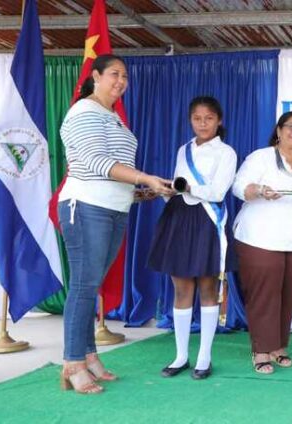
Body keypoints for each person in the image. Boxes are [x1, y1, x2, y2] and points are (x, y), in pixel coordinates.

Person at [57, 54, 174, 394]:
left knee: (91, 284)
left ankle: (89, 356)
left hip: (114, 207)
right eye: (114, 74)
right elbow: (95, 161)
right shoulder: (84, 111)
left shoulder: (113, 117)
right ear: (95, 76)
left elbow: (113, 171)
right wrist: (145, 177)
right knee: (83, 285)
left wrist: (140, 192)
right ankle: (72, 363)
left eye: (124, 76)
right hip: (85, 206)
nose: (121, 81)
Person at [147, 96, 237, 380]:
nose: (203, 123)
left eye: (209, 118)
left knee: (208, 288)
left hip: (207, 221)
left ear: (219, 120)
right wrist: (164, 191)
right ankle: (181, 356)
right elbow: (178, 187)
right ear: (190, 120)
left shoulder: (226, 152)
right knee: (182, 288)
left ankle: (204, 357)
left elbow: (218, 192)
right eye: (197, 118)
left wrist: (188, 187)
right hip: (179, 218)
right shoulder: (183, 149)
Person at [232, 111, 292, 374]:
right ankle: (261, 349)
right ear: (279, 130)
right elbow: (238, 187)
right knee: (264, 296)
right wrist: (260, 190)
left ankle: (279, 346)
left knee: (289, 296)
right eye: (291, 126)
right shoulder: (260, 157)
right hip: (259, 238)